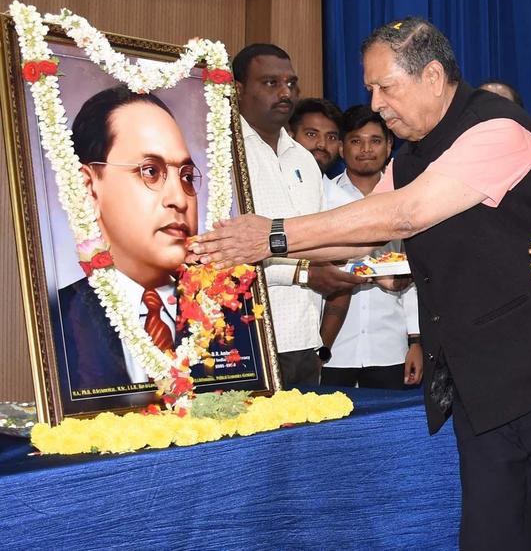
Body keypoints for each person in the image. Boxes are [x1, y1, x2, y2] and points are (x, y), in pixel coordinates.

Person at [193, 18, 531, 550]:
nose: (376, 104)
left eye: (385, 87)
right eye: (370, 90)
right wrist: (230, 245)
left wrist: (272, 235)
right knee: (492, 535)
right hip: (488, 382)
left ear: (431, 76)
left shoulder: (497, 128)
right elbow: (360, 234)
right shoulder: (409, 159)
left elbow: (406, 214)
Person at [58, 85, 253, 391]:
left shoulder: (230, 310)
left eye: (186, 177)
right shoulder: (57, 319)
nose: (179, 199)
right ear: (89, 189)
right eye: (150, 171)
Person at [232, 43, 364, 388]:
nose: (285, 93)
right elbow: (221, 251)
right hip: (246, 344)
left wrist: (354, 265)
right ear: (238, 88)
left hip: (305, 340)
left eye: (291, 84)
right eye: (271, 83)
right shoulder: (222, 152)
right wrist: (302, 274)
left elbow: (318, 241)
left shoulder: (303, 159)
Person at [319, 105, 424, 390]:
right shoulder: (323, 197)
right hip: (333, 348)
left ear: (389, 146)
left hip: (390, 346)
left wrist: (415, 340)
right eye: (356, 141)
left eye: (375, 141)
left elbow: (413, 272)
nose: (366, 149)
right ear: (342, 148)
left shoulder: (404, 199)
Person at [288, 97, 343, 177]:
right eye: (311, 134)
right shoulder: (272, 181)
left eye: (331, 137)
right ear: (290, 137)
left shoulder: (336, 186)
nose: (322, 144)